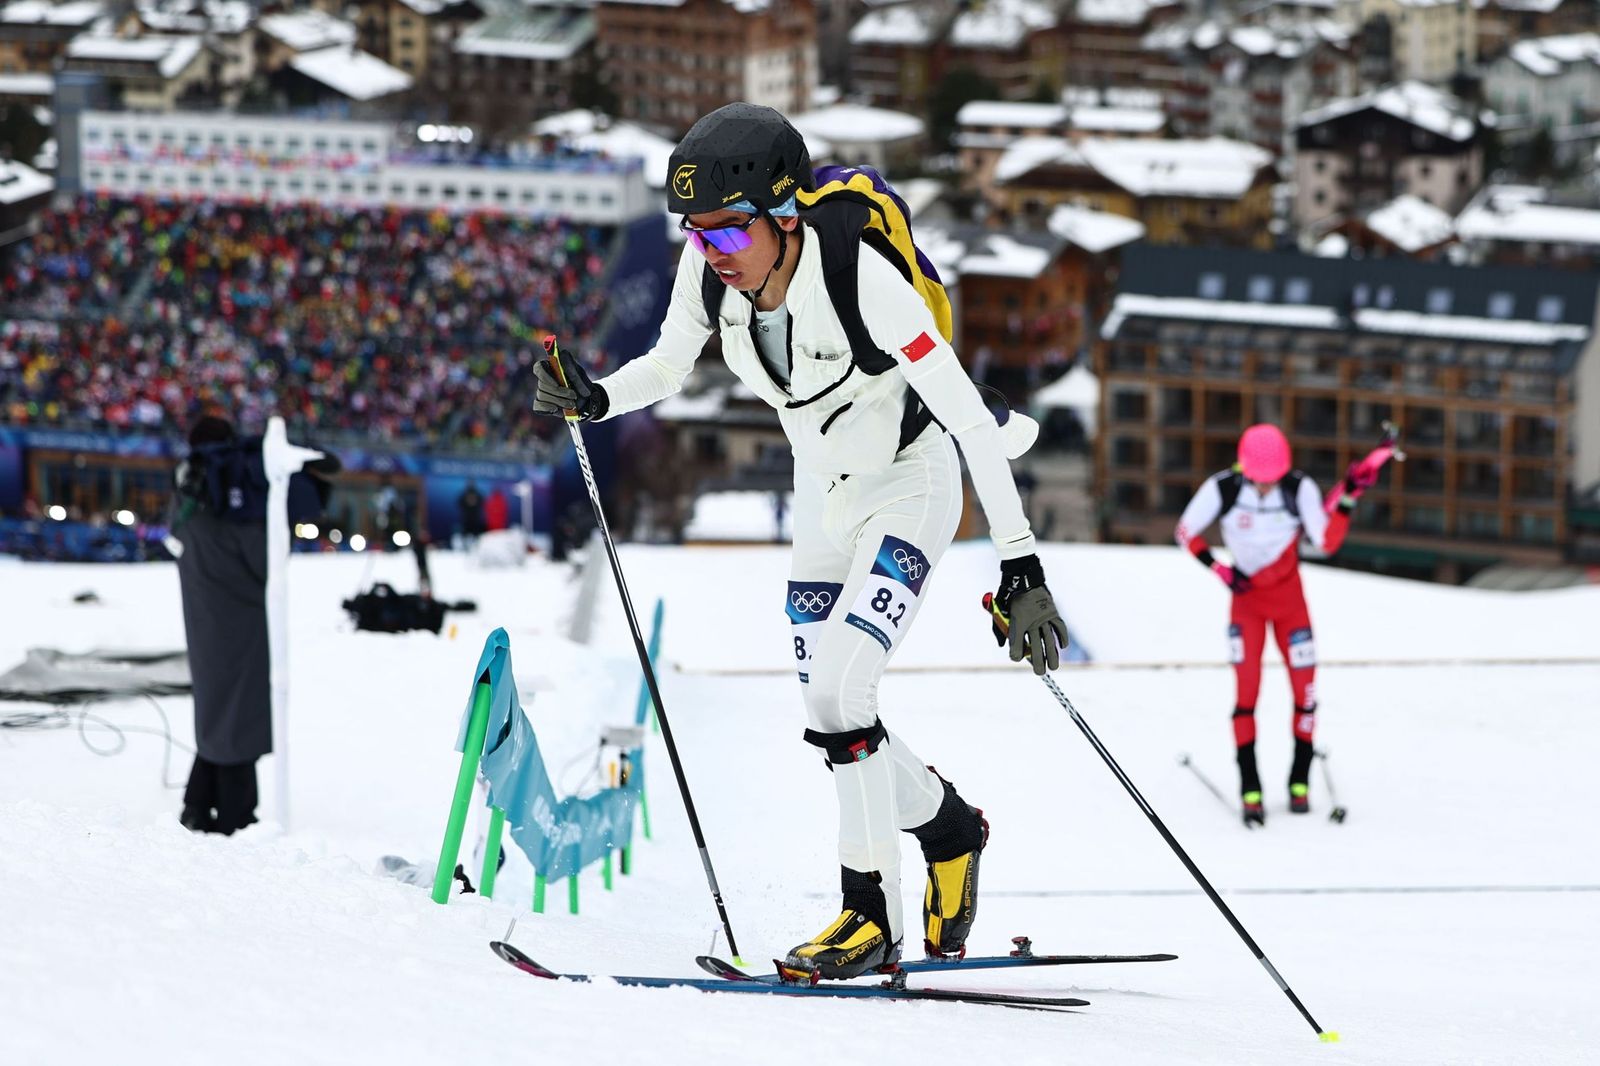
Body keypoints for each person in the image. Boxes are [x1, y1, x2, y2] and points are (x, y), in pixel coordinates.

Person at [530, 103, 1067, 980]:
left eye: (732, 232)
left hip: (910, 486)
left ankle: (868, 917)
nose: (716, 254)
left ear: (785, 213)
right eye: (699, 236)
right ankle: (951, 831)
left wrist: (1021, 563)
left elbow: (970, 419)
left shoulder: (860, 275)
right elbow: (668, 364)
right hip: (820, 500)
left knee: (845, 688)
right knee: (829, 707)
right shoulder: (709, 272)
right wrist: (597, 397)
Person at [1174, 424, 1378, 826]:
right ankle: (1251, 788)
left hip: (1290, 607)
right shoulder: (1225, 487)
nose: (1267, 490)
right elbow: (1185, 532)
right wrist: (1219, 569)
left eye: (1274, 482)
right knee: (1246, 696)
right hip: (1246, 604)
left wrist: (1350, 496)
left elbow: (1326, 541)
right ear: (1244, 470)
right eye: (1259, 482)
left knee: (1306, 694)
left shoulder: (1297, 488)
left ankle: (1299, 782)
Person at [171, 414, 270, 836]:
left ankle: (198, 802)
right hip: (239, 615)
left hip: (201, 612)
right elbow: (262, 560)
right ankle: (235, 812)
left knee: (215, 706)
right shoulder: (231, 496)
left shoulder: (188, 486)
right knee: (239, 711)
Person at [457, 480, 487, 549]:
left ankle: (476, 546)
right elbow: (459, 502)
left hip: (474, 518)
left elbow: (482, 502)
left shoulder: (476, 493)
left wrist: (474, 505)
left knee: (475, 534)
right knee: (465, 534)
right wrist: (467, 505)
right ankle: (465, 546)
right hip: (467, 518)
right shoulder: (465, 493)